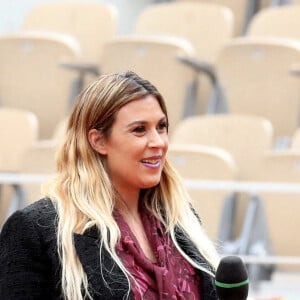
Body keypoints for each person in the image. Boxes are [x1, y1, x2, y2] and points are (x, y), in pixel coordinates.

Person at [0, 71, 219, 300]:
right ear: (98, 141)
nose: (158, 142)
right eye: (139, 130)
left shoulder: (181, 219)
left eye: (161, 127)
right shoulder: (35, 229)